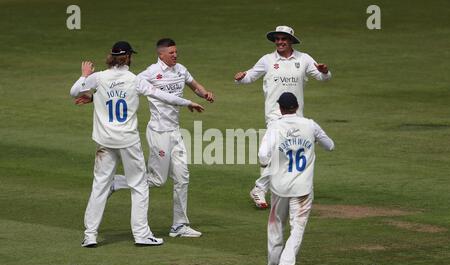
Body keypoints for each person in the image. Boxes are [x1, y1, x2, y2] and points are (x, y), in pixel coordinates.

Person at [69, 41, 204, 247]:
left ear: (111, 58)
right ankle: (141, 235)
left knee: (99, 187)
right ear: (129, 58)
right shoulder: (134, 80)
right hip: (128, 141)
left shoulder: (98, 78)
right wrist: (187, 102)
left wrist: (85, 75)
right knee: (139, 186)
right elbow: (161, 95)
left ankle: (90, 235)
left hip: (105, 141)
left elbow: (74, 91)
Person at [110, 38, 214, 238]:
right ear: (161, 55)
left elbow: (194, 85)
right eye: (171, 53)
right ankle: (117, 182)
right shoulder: (149, 73)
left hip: (175, 132)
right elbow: (126, 85)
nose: (175, 55)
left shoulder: (180, 69)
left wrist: (205, 93)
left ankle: (179, 225)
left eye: (176, 52)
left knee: (183, 178)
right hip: (158, 132)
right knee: (157, 180)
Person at [235, 25, 332, 209]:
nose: (279, 42)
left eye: (283, 39)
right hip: (274, 116)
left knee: (282, 156)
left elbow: (323, 78)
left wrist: (325, 71)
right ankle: (262, 189)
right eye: (277, 39)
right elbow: (249, 77)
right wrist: (240, 77)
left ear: (290, 41)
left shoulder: (304, 59)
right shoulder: (267, 60)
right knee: (271, 154)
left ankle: (261, 188)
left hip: (296, 117)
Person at [258, 92, 334, 265]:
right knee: (297, 229)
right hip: (302, 189)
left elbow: (262, 156)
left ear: (281, 109)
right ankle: (286, 264)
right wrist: (314, 140)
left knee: (275, 227)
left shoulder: (274, 126)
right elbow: (330, 146)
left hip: (279, 187)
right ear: (297, 106)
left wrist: (272, 159)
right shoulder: (310, 125)